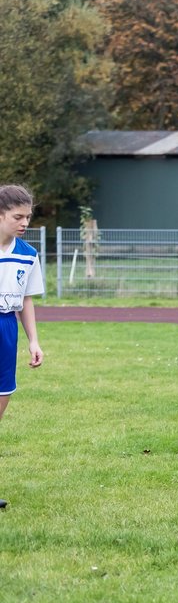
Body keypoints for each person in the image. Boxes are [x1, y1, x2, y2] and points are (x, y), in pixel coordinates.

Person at [0, 185, 45, 511]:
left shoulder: (27, 254)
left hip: (6, 329)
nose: (24, 222)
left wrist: (33, 341)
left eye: (27, 216)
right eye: (18, 216)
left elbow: (26, 300)